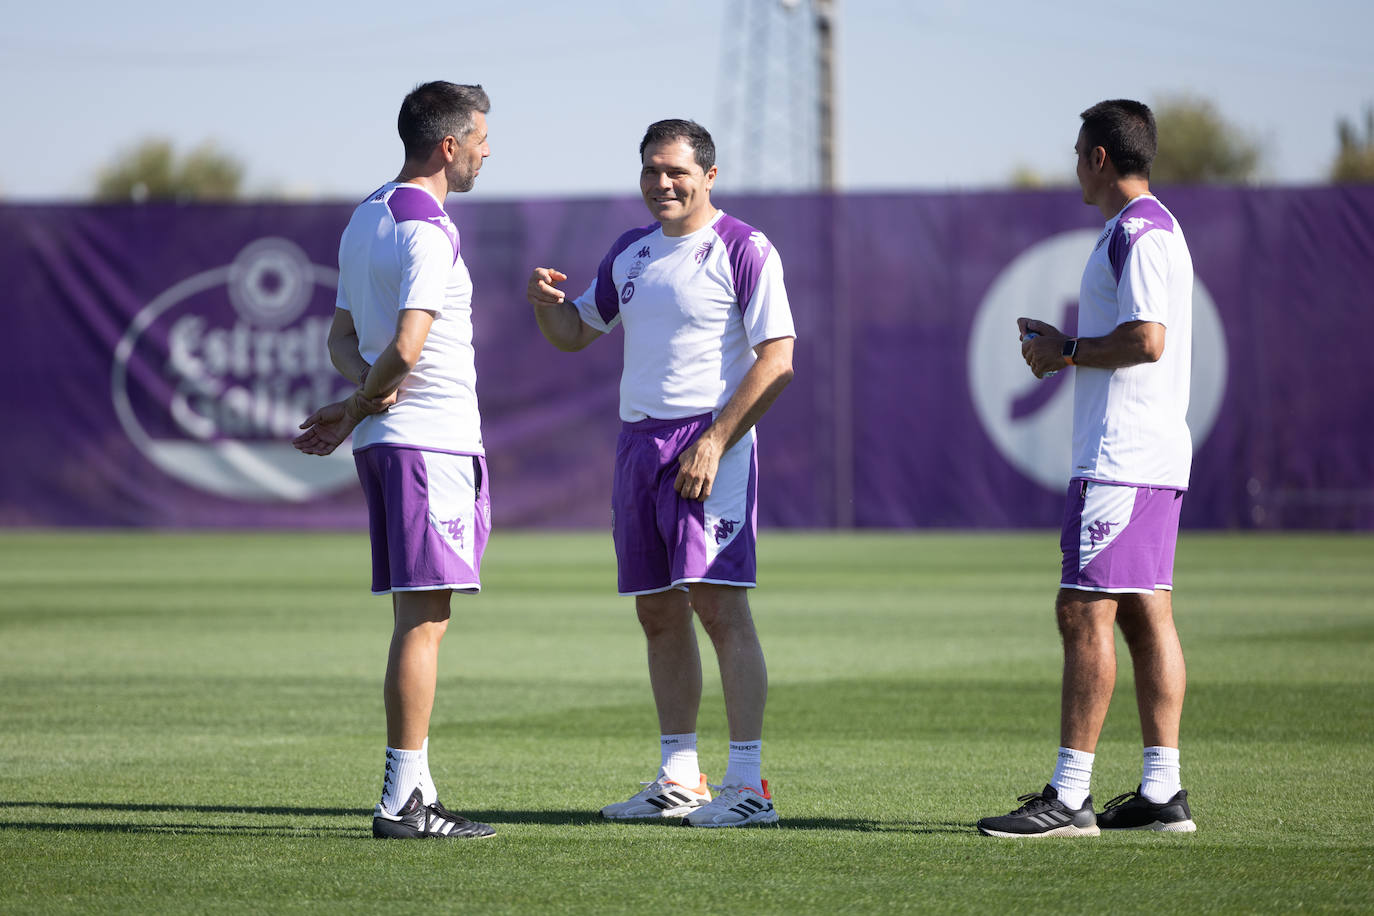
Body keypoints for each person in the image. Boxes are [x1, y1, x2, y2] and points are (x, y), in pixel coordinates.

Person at [525, 119, 795, 828]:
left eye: (676, 171)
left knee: (719, 606)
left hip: (712, 444)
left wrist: (715, 440)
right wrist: (545, 310)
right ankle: (680, 777)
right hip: (638, 445)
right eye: (651, 170)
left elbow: (778, 360)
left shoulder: (743, 247)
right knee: (656, 610)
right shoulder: (631, 252)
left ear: (709, 175)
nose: (662, 183)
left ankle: (747, 787)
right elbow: (577, 333)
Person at [977, 99, 1199, 838]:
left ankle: (1071, 797)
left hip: (1122, 457)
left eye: (1078, 152)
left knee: (1082, 610)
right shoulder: (1151, 227)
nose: (1074, 164)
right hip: (1151, 454)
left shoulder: (1137, 231)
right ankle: (1162, 793)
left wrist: (1067, 350)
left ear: (1100, 158)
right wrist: (1068, 346)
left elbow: (1146, 339)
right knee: (1143, 612)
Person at [292, 80, 495, 840]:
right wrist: (355, 408)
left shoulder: (365, 215)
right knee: (424, 617)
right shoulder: (429, 229)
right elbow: (405, 348)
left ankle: (420, 792)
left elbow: (343, 342)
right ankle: (402, 804)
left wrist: (357, 403)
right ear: (449, 146)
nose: (486, 151)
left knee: (421, 612)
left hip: (395, 442)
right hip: (427, 443)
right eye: (479, 139)